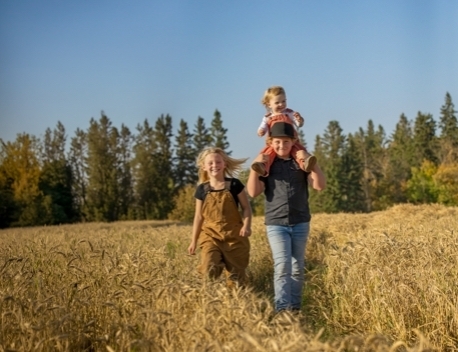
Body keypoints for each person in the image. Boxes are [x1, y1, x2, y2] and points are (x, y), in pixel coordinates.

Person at [246, 122, 326, 312]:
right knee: (282, 266)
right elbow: (253, 192)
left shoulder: (299, 163)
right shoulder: (267, 165)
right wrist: (254, 168)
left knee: (297, 267)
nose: (282, 146)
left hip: (300, 222)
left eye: (286, 142)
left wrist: (312, 163)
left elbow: (319, 186)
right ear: (271, 142)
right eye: (277, 142)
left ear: (293, 142)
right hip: (276, 223)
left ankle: (295, 309)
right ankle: (283, 311)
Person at [188, 147, 252, 287]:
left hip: (234, 236)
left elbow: (246, 208)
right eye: (210, 163)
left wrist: (246, 226)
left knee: (237, 279)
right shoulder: (201, 190)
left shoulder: (235, 185)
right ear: (203, 167)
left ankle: (234, 304)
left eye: (218, 162)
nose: (214, 165)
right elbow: (198, 217)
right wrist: (193, 241)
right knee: (208, 268)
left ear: (225, 164)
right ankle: (208, 299)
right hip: (211, 235)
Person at [252, 85, 317, 177]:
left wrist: (300, 120)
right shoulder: (268, 117)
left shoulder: (289, 113)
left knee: (298, 151)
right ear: (269, 104)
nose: (281, 104)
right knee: (268, 154)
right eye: (277, 102)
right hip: (274, 143)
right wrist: (261, 131)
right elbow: (263, 126)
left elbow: (299, 125)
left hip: (291, 140)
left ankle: (305, 163)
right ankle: (262, 167)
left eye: (284, 101)